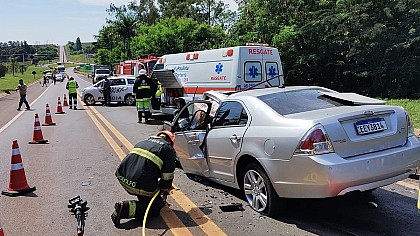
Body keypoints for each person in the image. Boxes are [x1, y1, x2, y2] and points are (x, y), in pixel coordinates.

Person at [111, 130, 176, 227]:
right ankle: (125, 209)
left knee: (147, 191)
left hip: (122, 177)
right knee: (156, 207)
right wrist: (163, 190)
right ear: (170, 141)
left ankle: (143, 198)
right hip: (138, 184)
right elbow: (167, 177)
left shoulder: (143, 142)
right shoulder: (167, 149)